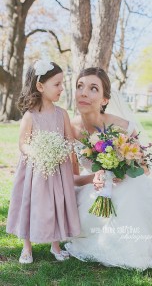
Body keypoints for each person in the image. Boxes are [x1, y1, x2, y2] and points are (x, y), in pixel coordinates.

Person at [65, 67, 152, 270]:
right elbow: (70, 178)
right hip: (93, 187)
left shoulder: (122, 126)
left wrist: (122, 171)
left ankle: (134, 245)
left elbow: (145, 168)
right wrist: (93, 177)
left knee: (133, 188)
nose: (83, 93)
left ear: (105, 99)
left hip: (126, 183)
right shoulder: (69, 129)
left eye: (93, 88)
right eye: (80, 86)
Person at [6, 60, 95, 264]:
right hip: (34, 171)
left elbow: (70, 140)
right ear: (40, 86)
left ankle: (55, 245)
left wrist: (62, 152)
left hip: (58, 170)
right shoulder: (30, 116)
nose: (61, 88)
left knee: (56, 205)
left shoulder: (61, 113)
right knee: (31, 204)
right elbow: (22, 144)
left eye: (62, 84)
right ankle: (26, 247)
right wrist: (37, 152)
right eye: (57, 84)